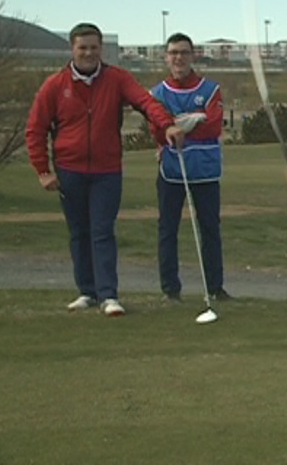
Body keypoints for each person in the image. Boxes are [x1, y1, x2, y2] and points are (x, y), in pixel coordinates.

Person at [25, 22, 184, 317]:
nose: (88, 53)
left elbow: (147, 103)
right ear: (72, 49)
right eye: (82, 47)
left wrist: (168, 125)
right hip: (69, 170)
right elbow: (35, 129)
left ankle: (109, 295)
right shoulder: (55, 85)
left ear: (101, 49)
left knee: (101, 231)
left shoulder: (116, 79)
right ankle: (87, 291)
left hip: (106, 170)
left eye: (93, 47)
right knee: (79, 233)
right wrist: (42, 170)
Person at [148, 32, 229, 303]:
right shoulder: (158, 93)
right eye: (173, 53)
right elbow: (158, 129)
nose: (178, 58)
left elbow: (213, 125)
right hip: (172, 168)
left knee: (210, 229)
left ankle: (214, 287)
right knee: (167, 229)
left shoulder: (210, 89)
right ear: (166, 57)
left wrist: (178, 122)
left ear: (192, 55)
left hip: (204, 168)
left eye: (183, 52)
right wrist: (192, 120)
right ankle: (170, 289)